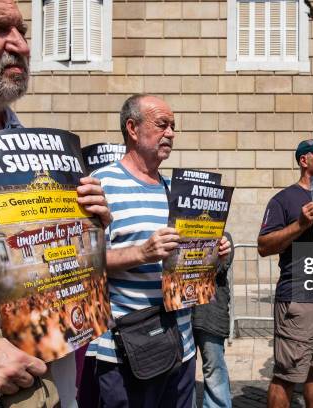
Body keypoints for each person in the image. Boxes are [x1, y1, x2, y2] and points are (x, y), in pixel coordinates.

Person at [0, 0, 110, 405]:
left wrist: (89, 229)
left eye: (23, 31)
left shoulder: (28, 136)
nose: (22, 46)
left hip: (56, 386)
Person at [81, 94, 231, 408]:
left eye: (173, 126)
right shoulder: (100, 184)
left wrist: (213, 252)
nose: (171, 133)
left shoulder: (173, 190)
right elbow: (81, 265)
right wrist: (142, 253)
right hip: (127, 351)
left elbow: (184, 264)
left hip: (181, 346)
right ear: (132, 129)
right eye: (162, 124)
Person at [258, 139, 313, 408]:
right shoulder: (284, 199)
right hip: (300, 298)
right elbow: (264, 246)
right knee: (287, 375)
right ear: (304, 161)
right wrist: (300, 223)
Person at [192, 232, 235, 408]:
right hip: (179, 314)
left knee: (214, 368)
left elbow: (222, 267)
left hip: (210, 314)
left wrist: (220, 255)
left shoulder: (224, 237)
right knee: (182, 372)